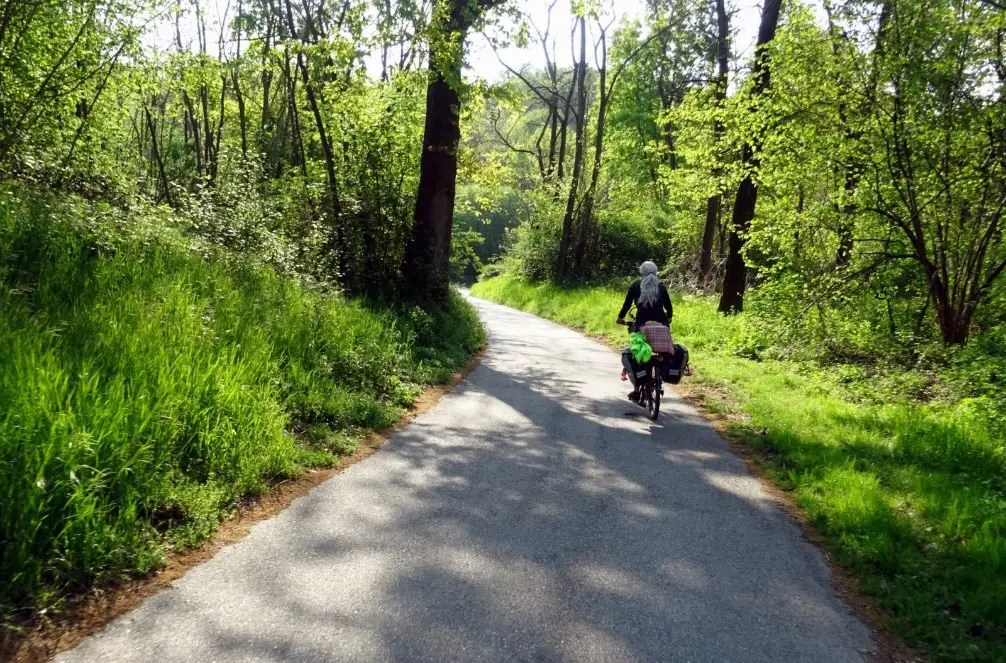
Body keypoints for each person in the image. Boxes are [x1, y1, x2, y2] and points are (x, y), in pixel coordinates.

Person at [617, 261, 673, 402]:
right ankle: (662, 370)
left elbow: (627, 304)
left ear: (641, 272)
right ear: (655, 272)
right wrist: (669, 317)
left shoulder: (636, 286)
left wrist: (620, 317)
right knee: (663, 350)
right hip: (661, 322)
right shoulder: (660, 286)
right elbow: (669, 306)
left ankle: (637, 390)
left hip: (642, 323)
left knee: (638, 353)